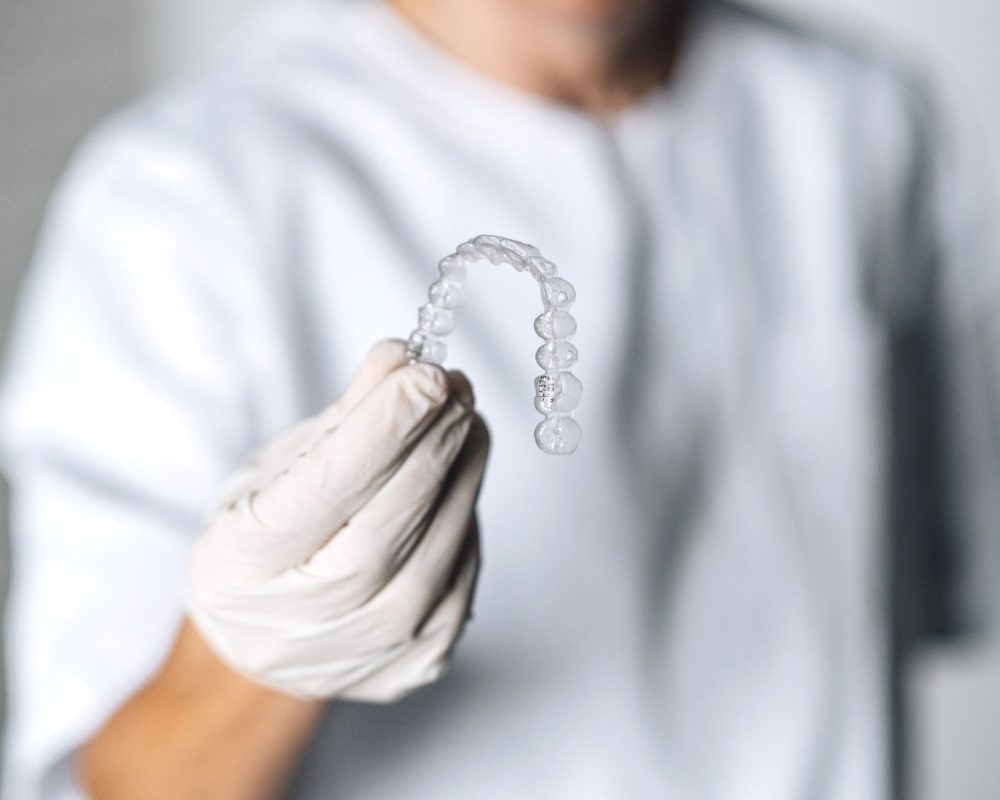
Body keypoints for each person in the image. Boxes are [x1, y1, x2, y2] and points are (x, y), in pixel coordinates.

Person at [1, 0, 997, 797]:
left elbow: (927, 580)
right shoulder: (183, 200)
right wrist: (257, 653)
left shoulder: (861, 120)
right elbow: (119, 781)